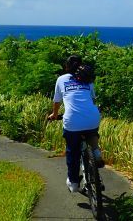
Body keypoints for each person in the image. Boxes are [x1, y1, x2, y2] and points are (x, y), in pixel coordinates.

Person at [47, 55, 103, 193]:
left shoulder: (61, 79)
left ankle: (73, 183)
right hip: (92, 117)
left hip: (72, 121)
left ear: (66, 67)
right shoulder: (88, 80)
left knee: (73, 152)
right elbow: (92, 100)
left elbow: (57, 101)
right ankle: (96, 152)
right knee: (92, 132)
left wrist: (54, 115)